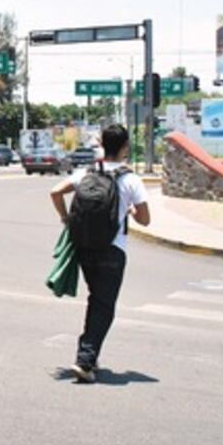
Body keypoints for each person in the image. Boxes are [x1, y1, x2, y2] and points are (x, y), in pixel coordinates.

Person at [49, 124, 150, 383]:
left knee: (96, 301)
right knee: (103, 306)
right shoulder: (131, 179)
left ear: (103, 145)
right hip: (112, 251)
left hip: (84, 247)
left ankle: (88, 356)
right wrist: (130, 211)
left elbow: (55, 192)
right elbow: (146, 220)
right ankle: (85, 360)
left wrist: (65, 218)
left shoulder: (85, 173)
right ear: (125, 147)